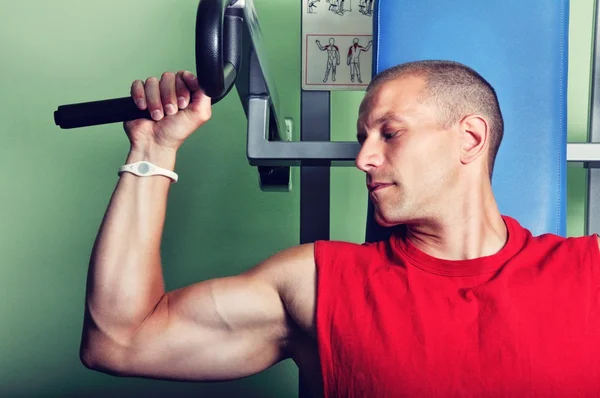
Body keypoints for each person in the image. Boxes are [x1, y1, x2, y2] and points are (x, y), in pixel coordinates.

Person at [79, 60, 600, 397]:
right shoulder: (317, 282)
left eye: (389, 133)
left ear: (469, 138)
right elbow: (120, 340)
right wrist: (153, 151)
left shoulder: (589, 272)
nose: (364, 158)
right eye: (362, 137)